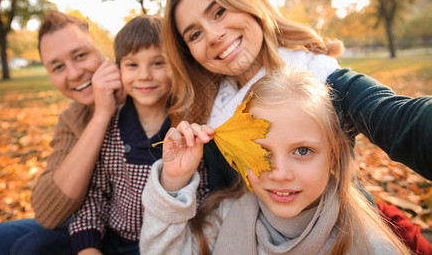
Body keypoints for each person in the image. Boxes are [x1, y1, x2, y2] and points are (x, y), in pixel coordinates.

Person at [161, 0, 431, 187]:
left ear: (248, 4)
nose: (213, 35)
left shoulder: (324, 81)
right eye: (194, 34)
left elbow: (396, 117)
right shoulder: (208, 124)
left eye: (219, 11)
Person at [140, 67, 411, 254]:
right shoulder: (221, 218)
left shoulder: (369, 244)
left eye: (302, 151)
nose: (279, 173)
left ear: (334, 156)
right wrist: (174, 181)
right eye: (263, 152)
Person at [0, 10, 123, 255]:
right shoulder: (73, 117)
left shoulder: (145, 92)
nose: (73, 74)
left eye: (80, 55)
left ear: (105, 50)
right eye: (58, 67)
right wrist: (100, 116)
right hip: (84, 225)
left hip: (131, 231)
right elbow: (48, 212)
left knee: (28, 248)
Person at [68, 14, 209, 255]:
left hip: (172, 244)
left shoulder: (189, 128)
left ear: (176, 66)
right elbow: (95, 195)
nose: (144, 75)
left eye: (158, 63)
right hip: (113, 242)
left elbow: (203, 197)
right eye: (132, 65)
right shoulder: (110, 126)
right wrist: (88, 247)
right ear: (118, 69)